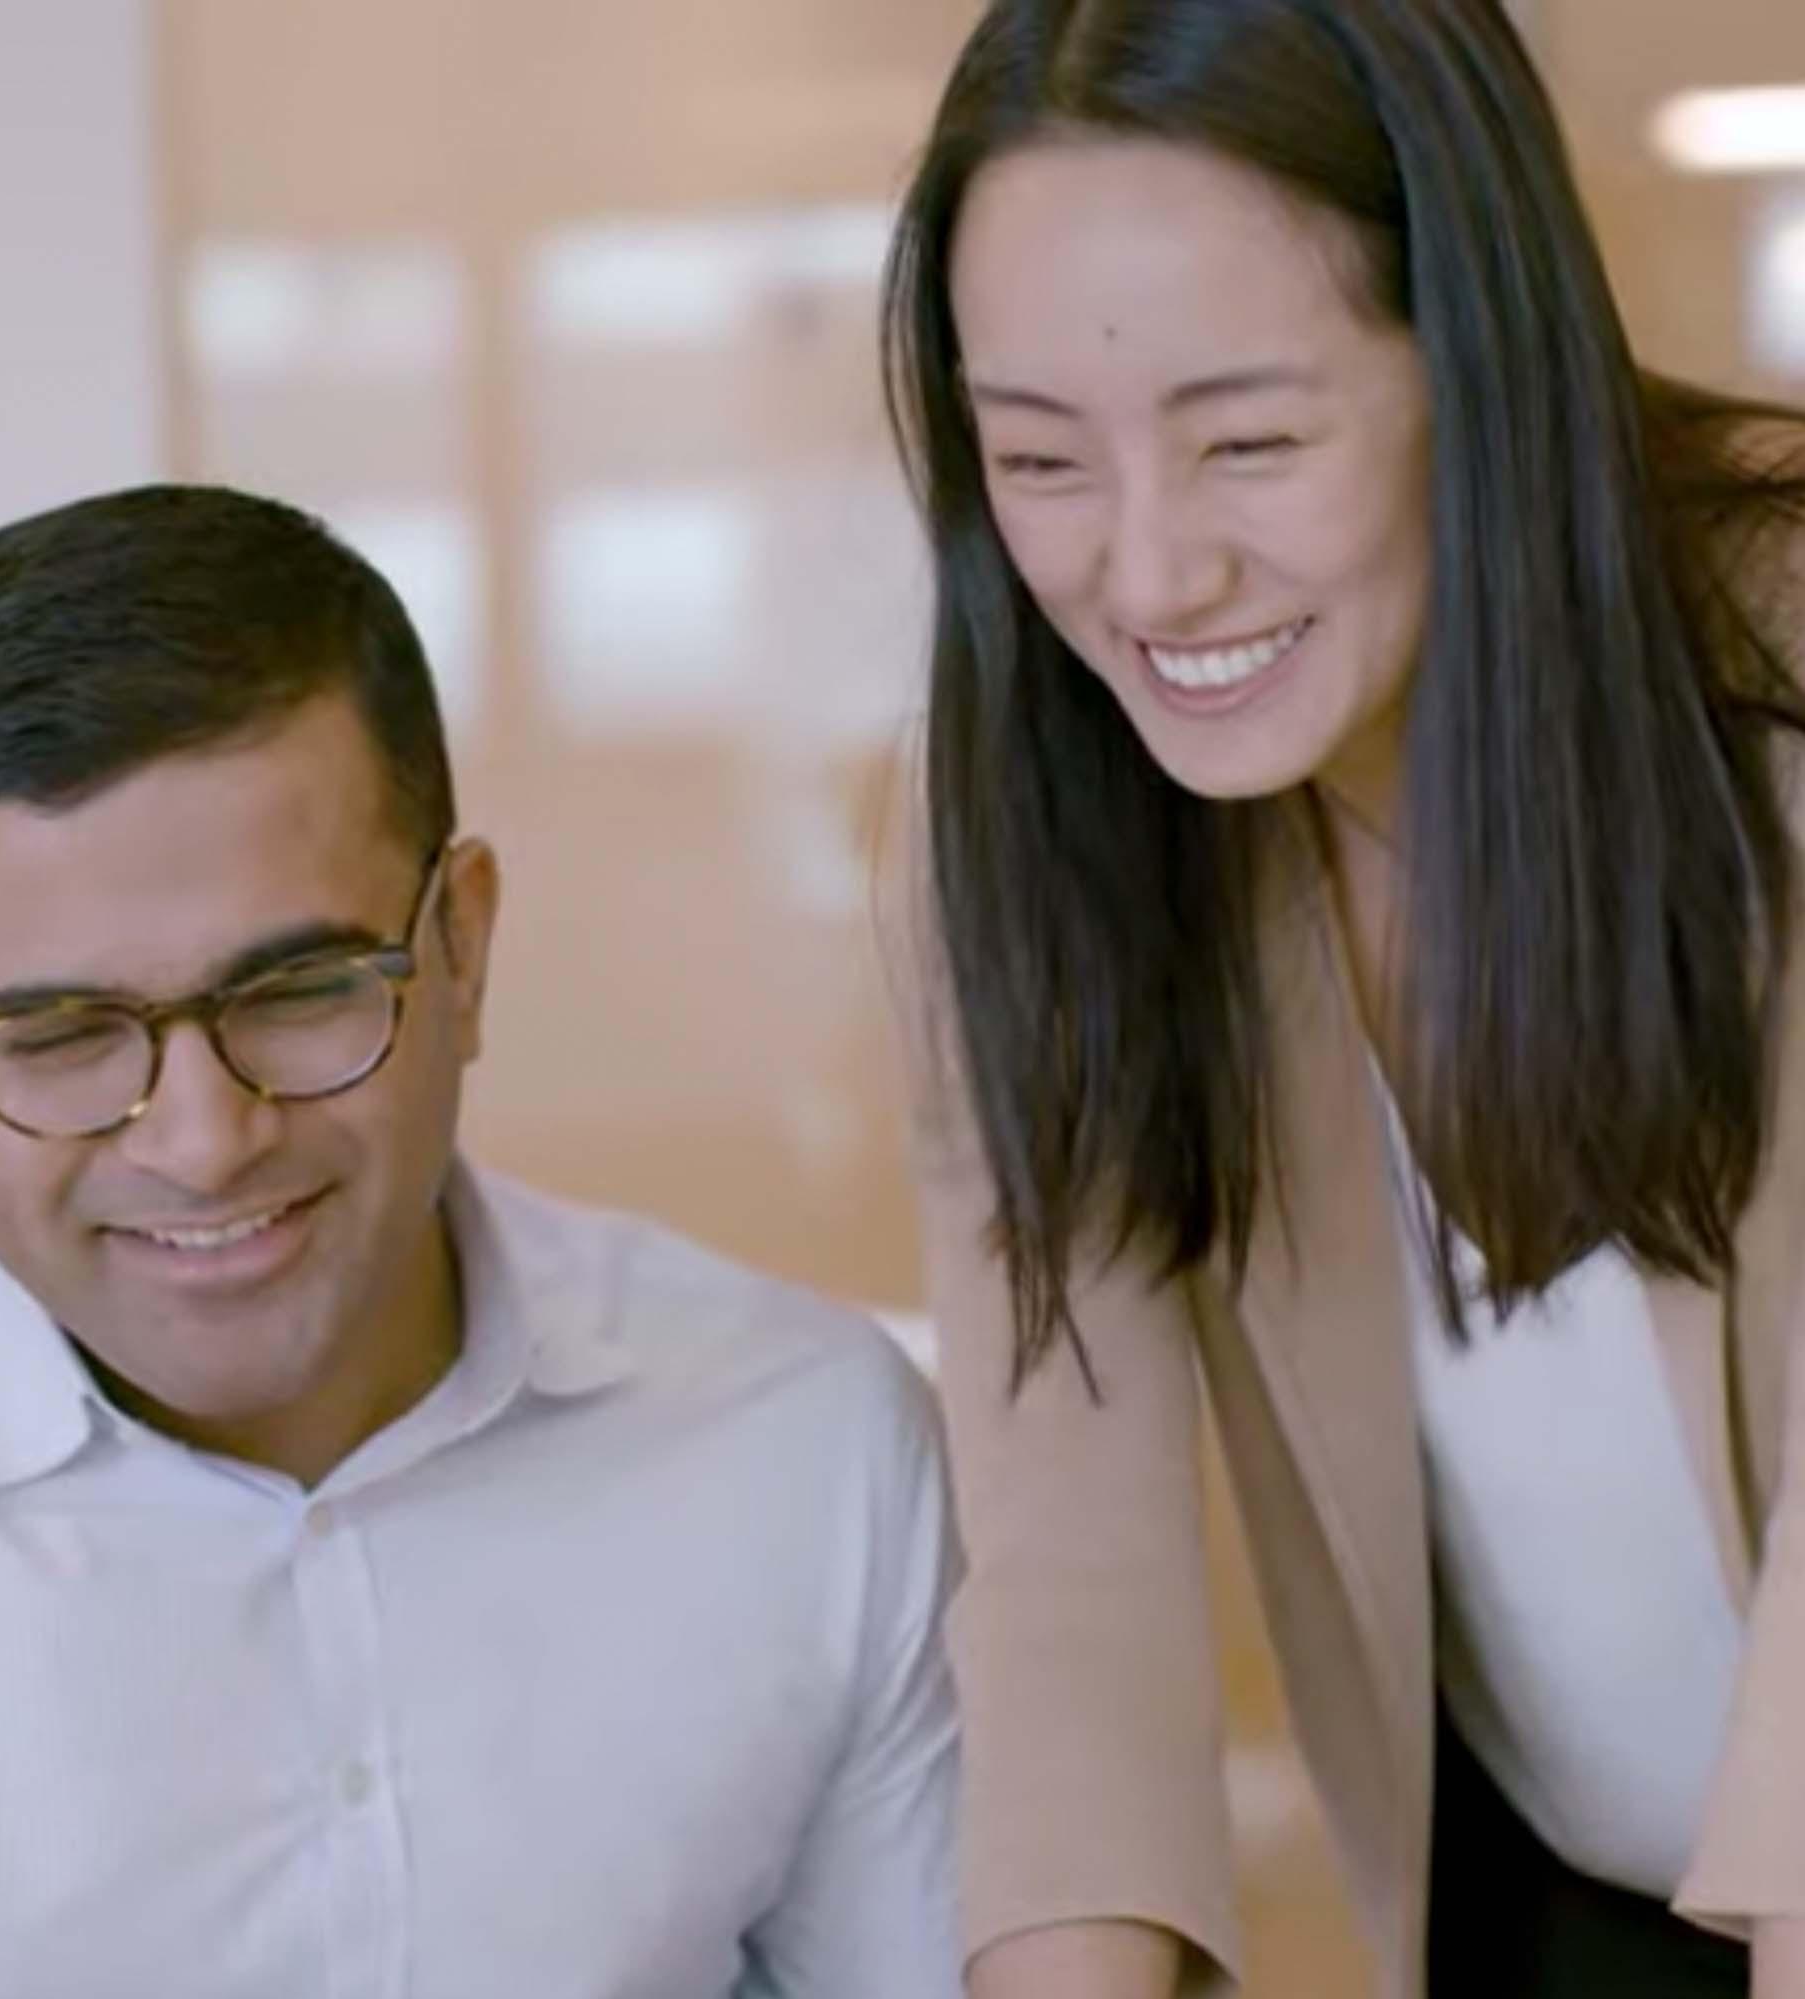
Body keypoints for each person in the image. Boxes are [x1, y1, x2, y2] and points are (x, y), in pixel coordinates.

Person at [879, 0, 1805, 1994]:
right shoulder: (1039, 808)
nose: (1149, 577)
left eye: (1249, 443)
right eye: (1037, 457)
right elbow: (1070, 1588)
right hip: (1562, 1903)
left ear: (1481, 363)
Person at [0, 483, 960, 1999]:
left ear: (464, 946)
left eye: (300, 991)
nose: (205, 1139)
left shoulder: (809, 1445)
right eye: (61, 1035)